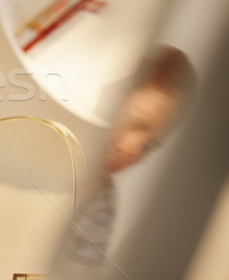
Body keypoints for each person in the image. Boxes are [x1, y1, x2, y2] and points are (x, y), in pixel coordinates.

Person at [53, 45, 197, 278]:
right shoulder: (51, 143)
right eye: (136, 123)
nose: (132, 150)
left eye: (148, 146)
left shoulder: (102, 209)